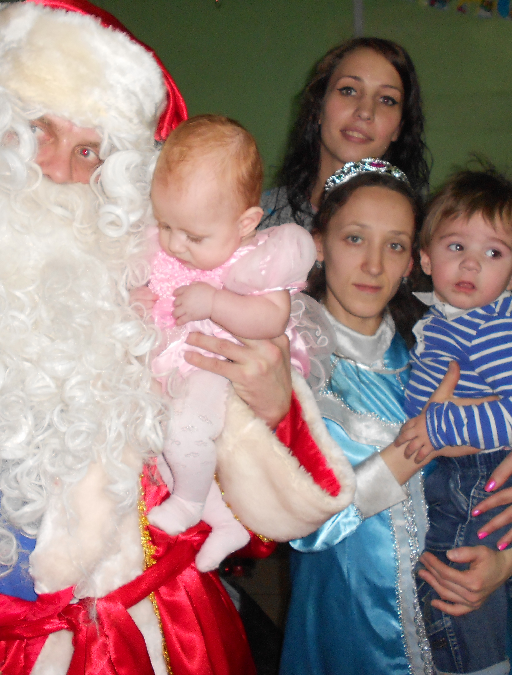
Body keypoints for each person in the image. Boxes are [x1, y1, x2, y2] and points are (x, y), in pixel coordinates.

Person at [0, 2, 357, 671]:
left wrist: (270, 408)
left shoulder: (168, 294)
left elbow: (259, 531)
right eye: (37, 129)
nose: (56, 169)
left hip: (156, 641)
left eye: (89, 150)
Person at [281, 160, 512, 675]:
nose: (373, 265)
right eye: (354, 239)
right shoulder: (288, 363)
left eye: (394, 245)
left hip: (469, 612)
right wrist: (415, 449)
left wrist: (505, 560)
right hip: (354, 628)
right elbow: (299, 523)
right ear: (319, 244)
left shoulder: (433, 352)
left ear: (415, 260)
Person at [394, 166, 512, 674]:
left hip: (473, 473)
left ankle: (480, 663)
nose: (471, 263)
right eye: (456, 246)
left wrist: (439, 426)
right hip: (463, 466)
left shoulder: (495, 329)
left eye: (493, 253)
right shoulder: (449, 317)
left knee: (452, 583)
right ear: (426, 257)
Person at [138, 115, 316, 571]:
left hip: (214, 361)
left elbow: (272, 317)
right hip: (171, 363)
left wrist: (215, 302)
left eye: (193, 236)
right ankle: (224, 521)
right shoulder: (170, 245)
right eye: (166, 225)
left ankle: (188, 503)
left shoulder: (254, 260)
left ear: (246, 222)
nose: (176, 244)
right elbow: (151, 289)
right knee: (160, 446)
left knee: (186, 431)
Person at [260, 37, 430, 232]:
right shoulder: (255, 220)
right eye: (349, 90)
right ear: (318, 108)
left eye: (387, 100)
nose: (365, 112)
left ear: (399, 128)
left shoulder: (422, 234)